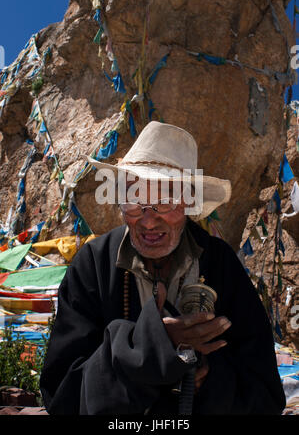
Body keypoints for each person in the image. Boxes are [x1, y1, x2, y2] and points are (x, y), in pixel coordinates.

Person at [40, 121, 286, 415]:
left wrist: (205, 377)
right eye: (134, 203)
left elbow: (264, 394)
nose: (148, 220)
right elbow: (61, 392)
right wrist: (152, 345)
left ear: (187, 204)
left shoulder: (219, 264)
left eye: (165, 203)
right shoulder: (94, 263)